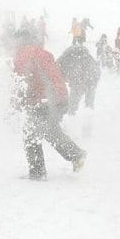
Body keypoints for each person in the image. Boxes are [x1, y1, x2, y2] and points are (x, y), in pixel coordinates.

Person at [13, 30, 86, 180]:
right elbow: (53, 74)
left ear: (19, 41)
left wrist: (15, 102)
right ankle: (76, 155)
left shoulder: (23, 56)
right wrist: (60, 95)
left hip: (43, 99)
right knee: (48, 130)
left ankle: (38, 172)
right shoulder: (41, 52)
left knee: (31, 133)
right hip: (54, 97)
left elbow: (21, 82)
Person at [56, 44, 101, 115]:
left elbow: (57, 76)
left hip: (82, 77)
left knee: (73, 104)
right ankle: (89, 118)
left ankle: (73, 118)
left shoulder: (63, 61)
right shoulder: (83, 57)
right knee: (89, 102)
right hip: (93, 74)